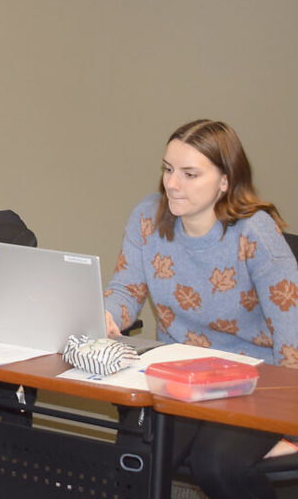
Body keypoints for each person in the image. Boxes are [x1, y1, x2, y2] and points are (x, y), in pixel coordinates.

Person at [104, 119, 298, 499]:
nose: (172, 184)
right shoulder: (147, 217)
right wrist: (107, 316)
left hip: (254, 383)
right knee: (137, 452)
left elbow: (293, 337)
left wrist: (287, 422)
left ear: (225, 181)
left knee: (217, 463)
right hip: (181, 377)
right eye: (168, 169)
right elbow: (126, 290)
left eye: (190, 174)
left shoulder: (255, 233)